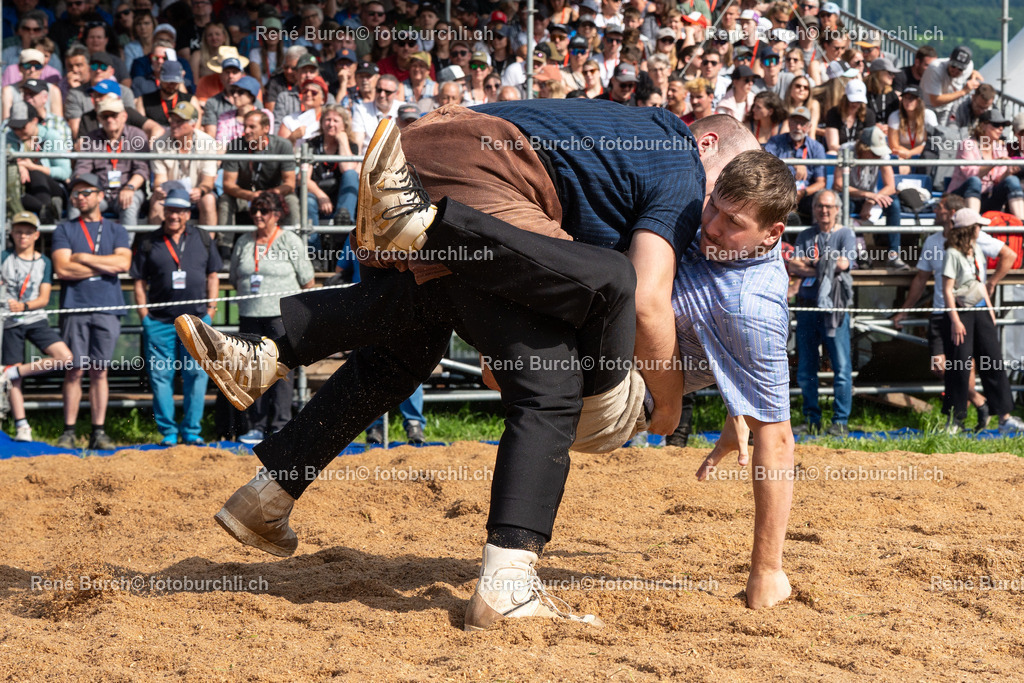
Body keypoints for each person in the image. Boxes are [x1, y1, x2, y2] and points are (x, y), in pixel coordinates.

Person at [176, 105, 796, 622]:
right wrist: (672, 408)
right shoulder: (677, 177)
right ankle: (501, 582)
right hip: (486, 196)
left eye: (728, 216)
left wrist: (721, 421)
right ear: (706, 145)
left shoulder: (743, 285)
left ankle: (272, 370)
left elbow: (762, 409)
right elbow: (649, 301)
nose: (705, 220)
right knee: (531, 317)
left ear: (770, 234)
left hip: (426, 154)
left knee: (462, 321)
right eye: (713, 199)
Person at [893, 195, 1018, 430]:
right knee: (949, 365)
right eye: (977, 226)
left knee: (987, 361)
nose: (936, 211)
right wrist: (907, 311)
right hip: (950, 313)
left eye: (939, 207)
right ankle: (968, 409)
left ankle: (999, 415)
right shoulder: (939, 245)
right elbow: (936, 284)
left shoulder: (977, 245)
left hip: (973, 310)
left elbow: (1003, 260)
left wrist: (990, 292)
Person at [131, 187, 222, 446]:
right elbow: (138, 279)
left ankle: (192, 431)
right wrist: (144, 314)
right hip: (159, 322)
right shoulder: (148, 240)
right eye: (170, 210)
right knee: (161, 376)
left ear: (187, 213)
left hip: (196, 323)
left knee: (196, 374)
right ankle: (168, 432)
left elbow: (212, 275)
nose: (174, 215)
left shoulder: (203, 238)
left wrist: (211, 310)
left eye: (180, 211)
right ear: (164, 211)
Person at [227, 190, 315, 445]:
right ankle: (255, 426)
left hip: (281, 317)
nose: (257, 215)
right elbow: (235, 276)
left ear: (276, 215)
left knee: (281, 371)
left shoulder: (289, 240)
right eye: (254, 210)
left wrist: (304, 317)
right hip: (250, 315)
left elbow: (307, 280)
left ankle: (280, 425)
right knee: (252, 372)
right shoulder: (244, 241)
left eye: (263, 211)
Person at [52, 173, 132, 450]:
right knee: (74, 370)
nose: (80, 198)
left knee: (99, 371)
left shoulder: (117, 230)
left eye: (86, 192)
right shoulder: (65, 230)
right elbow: (63, 269)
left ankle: (99, 431)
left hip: (108, 307)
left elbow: (123, 264)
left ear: (100, 195)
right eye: (76, 194)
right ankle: (69, 431)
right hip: (75, 307)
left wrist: (83, 258)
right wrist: (104, 264)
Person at [941, 209, 1024, 436]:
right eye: (978, 225)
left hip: (981, 311)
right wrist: (955, 320)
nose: (981, 229)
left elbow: (981, 282)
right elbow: (948, 290)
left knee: (993, 361)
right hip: (963, 312)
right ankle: (956, 418)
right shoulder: (952, 254)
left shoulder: (976, 249)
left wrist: (990, 309)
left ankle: (1005, 416)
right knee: (960, 365)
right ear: (969, 228)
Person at [787, 189, 857, 435]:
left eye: (828, 206)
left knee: (841, 367)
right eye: (819, 206)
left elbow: (843, 264)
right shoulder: (806, 234)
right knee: (806, 367)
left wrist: (813, 263)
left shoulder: (846, 234)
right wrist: (823, 263)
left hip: (835, 308)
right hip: (807, 306)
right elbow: (793, 264)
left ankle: (840, 421)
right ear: (814, 209)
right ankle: (811, 419)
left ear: (837, 209)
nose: (824, 210)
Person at [1, 212, 74, 443]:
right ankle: (22, 426)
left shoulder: (44, 262)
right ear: (12, 233)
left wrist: (23, 305)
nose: (23, 236)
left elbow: (43, 298)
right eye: (19, 231)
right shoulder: (3, 257)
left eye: (28, 232)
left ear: (36, 235)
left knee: (64, 357)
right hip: (8, 322)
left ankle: (11, 372)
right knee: (14, 379)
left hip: (35, 318)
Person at [830, 127, 907, 270]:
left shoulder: (882, 155)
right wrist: (868, 195)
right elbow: (839, 185)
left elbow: (890, 186)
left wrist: (871, 200)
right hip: (850, 196)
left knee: (894, 204)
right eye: (873, 153)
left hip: (870, 198)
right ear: (863, 148)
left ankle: (893, 255)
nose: (877, 156)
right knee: (845, 205)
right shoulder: (846, 150)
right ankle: (855, 254)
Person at [72, 98, 150, 226]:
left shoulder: (137, 135)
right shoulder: (90, 139)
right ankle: (77, 243)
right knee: (78, 201)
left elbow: (141, 170)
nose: (109, 120)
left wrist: (129, 188)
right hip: (98, 192)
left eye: (114, 115)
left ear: (124, 116)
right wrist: (81, 191)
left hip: (127, 188)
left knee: (129, 203)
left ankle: (125, 245)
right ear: (99, 119)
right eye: (105, 116)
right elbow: (82, 169)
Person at [219, 110, 300, 227]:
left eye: (252, 127)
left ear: (266, 128)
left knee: (291, 200)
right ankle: (224, 244)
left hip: (274, 194)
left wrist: (272, 193)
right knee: (225, 200)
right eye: (245, 126)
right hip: (245, 195)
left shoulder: (283, 145)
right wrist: (250, 195)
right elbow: (228, 185)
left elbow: (290, 184)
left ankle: (293, 241)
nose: (246, 131)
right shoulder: (235, 145)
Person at [150, 101, 220, 225]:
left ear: (193, 125)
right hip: (170, 194)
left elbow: (208, 181)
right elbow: (159, 180)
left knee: (208, 199)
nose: (173, 124)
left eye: (180, 121)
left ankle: (207, 243)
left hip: (196, 195)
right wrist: (160, 190)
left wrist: (200, 191)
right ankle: (156, 243)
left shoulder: (208, 142)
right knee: (156, 200)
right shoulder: (159, 143)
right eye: (172, 120)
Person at [949, 110, 1024, 221]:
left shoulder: (1000, 148)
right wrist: (994, 163)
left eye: (1003, 125)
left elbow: (998, 180)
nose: (1001, 128)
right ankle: (973, 224)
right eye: (996, 124)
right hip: (961, 198)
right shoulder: (968, 144)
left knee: (1012, 180)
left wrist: (1008, 172)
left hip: (987, 197)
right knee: (974, 181)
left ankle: (1021, 225)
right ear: (983, 125)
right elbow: (971, 175)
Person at [5, 101, 70, 222]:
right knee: (11, 189)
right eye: (14, 127)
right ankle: (45, 211)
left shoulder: (52, 136)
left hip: (54, 188)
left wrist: (32, 167)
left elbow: (65, 172)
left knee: (35, 174)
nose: (18, 131)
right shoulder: (7, 138)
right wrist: (19, 166)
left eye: (22, 126)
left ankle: (47, 220)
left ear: (34, 120)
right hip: (22, 189)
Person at [765, 106, 826, 220]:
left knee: (820, 199)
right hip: (780, 191)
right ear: (789, 123)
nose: (798, 127)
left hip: (805, 195)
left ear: (809, 127)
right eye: (795, 122)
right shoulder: (775, 141)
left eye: (802, 124)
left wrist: (802, 192)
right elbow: (766, 166)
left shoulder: (817, 147)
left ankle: (817, 235)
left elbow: (821, 182)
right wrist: (793, 163)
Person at [306, 105, 359, 227]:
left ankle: (343, 221)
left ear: (344, 125)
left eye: (336, 121)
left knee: (351, 175)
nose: (331, 124)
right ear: (322, 123)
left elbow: (348, 169)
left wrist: (343, 141)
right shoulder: (311, 144)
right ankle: (314, 244)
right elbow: (303, 178)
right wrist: (321, 196)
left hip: (341, 197)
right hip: (316, 194)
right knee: (308, 201)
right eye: (327, 120)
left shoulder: (351, 145)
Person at [921, 45, 982, 128]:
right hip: (927, 107)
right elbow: (935, 101)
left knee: (943, 135)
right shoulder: (935, 69)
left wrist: (974, 77)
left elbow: (975, 73)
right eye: (953, 66)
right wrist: (963, 92)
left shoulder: (969, 67)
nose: (956, 70)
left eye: (960, 69)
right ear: (949, 58)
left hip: (947, 108)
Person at [886, 86, 937, 174]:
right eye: (905, 98)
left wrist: (910, 153)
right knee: (902, 168)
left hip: (923, 153)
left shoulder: (929, 115)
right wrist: (907, 154)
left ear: (919, 100)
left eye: (912, 98)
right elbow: (893, 145)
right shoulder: (894, 116)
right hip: (901, 154)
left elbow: (932, 143)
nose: (908, 102)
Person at [213, 75, 270, 144]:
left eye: (240, 92)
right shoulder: (225, 117)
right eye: (233, 91)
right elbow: (220, 144)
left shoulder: (265, 115)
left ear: (251, 96)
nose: (235, 95)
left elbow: (268, 141)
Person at [823, 80, 876, 153]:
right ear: (845, 98)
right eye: (853, 100)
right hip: (840, 153)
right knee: (831, 153)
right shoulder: (833, 113)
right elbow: (832, 145)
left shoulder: (869, 114)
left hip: (861, 154)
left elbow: (869, 143)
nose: (855, 104)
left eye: (859, 101)